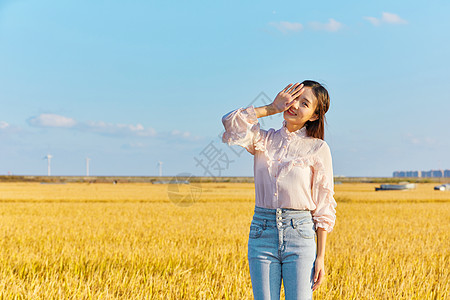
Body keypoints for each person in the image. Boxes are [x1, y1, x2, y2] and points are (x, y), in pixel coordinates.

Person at [221, 80, 337, 300]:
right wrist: (271, 108)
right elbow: (230, 122)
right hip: (262, 232)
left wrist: (320, 257)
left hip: (300, 234)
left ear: (314, 115)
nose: (295, 105)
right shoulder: (263, 139)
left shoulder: (318, 148)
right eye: (294, 98)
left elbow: (324, 206)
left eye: (304, 103)